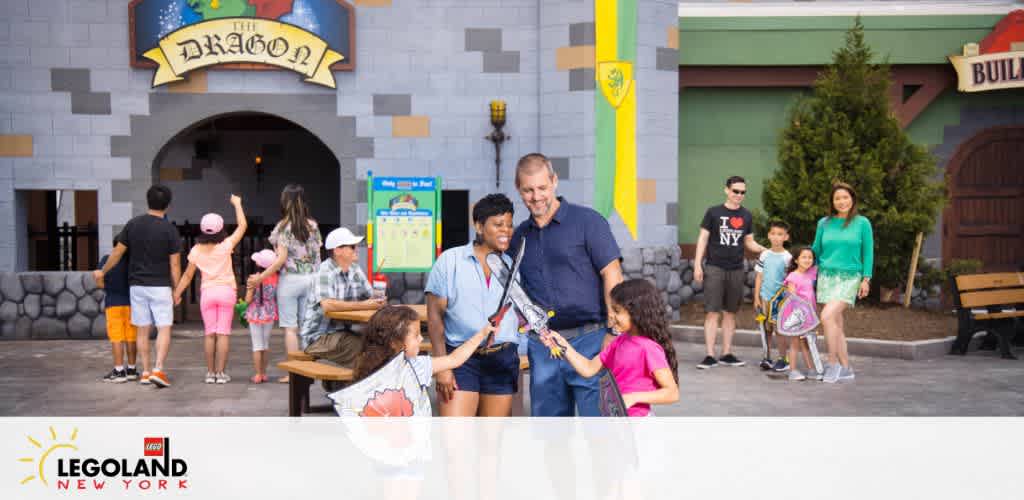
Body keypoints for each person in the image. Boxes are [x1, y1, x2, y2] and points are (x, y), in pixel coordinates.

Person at [510, 153, 624, 417]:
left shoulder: (588, 222)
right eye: (528, 190)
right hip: (544, 345)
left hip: (592, 340)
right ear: (519, 190)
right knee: (550, 436)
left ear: (554, 182)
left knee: (600, 431)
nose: (536, 196)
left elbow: (613, 274)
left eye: (541, 188)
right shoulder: (519, 237)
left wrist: (613, 332)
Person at [425, 194, 523, 417]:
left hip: (501, 359)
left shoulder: (512, 266)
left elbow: (517, 315)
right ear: (479, 226)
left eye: (509, 225)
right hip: (461, 359)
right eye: (498, 224)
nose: (506, 231)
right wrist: (443, 366)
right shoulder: (450, 261)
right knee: (456, 442)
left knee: (491, 445)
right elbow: (434, 318)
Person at [544, 279, 679, 417]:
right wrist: (562, 344)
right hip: (616, 421)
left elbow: (672, 393)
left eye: (617, 311)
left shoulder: (649, 348)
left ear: (636, 312)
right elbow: (588, 368)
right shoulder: (619, 341)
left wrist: (633, 397)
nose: (611, 315)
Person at [94, 184, 181, 388]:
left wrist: (102, 271)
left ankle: (145, 372)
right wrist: (177, 290)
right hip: (160, 286)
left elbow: (117, 253)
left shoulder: (132, 224)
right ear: (167, 205)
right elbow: (175, 264)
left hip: (137, 287)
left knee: (142, 330)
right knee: (164, 328)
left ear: (147, 200)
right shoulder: (170, 230)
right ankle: (159, 369)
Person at [246, 184, 322, 383]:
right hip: (312, 279)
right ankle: (308, 369)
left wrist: (260, 278)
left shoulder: (283, 227)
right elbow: (318, 256)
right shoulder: (313, 225)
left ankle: (294, 373)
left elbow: (280, 259)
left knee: (290, 328)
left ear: (285, 202)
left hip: (290, 280)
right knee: (307, 326)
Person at [693, 175, 767, 369]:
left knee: (730, 312)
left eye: (743, 192)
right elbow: (703, 239)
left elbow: (748, 241)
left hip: (736, 268)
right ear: (727, 190)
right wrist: (697, 264)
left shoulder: (746, 215)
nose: (739, 195)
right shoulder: (713, 212)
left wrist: (764, 249)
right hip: (715, 267)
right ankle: (710, 355)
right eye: (736, 191)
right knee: (712, 312)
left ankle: (726, 353)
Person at [173, 195, 247, 384]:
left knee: (209, 334)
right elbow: (242, 227)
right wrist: (237, 204)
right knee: (223, 333)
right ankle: (221, 374)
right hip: (226, 293)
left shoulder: (197, 249)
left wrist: (177, 293)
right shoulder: (226, 245)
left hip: (208, 293)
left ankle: (210, 373)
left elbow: (188, 275)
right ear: (221, 228)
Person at [298, 227, 384, 373]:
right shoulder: (324, 272)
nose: (356, 249)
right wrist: (364, 305)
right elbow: (327, 305)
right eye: (352, 246)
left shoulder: (355, 269)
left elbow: (371, 297)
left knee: (381, 343)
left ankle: (349, 385)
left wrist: (379, 297)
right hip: (319, 337)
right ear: (337, 251)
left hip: (342, 332)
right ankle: (354, 388)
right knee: (366, 352)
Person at [812, 182, 874, 383]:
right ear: (832, 201)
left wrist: (866, 279)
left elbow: (868, 252)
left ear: (852, 199)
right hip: (826, 276)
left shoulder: (862, 223)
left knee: (827, 316)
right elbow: (815, 250)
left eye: (845, 197)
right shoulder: (824, 223)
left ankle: (832, 364)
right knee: (836, 324)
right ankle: (846, 368)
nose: (841, 201)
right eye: (837, 198)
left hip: (849, 277)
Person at [353, 305, 498, 385]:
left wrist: (483, 333)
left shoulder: (418, 364)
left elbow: (454, 359)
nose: (421, 339)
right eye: (416, 335)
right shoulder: (374, 379)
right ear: (395, 343)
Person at [753, 220, 793, 372]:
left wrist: (787, 300)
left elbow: (790, 280)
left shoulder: (787, 257)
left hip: (780, 300)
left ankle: (784, 359)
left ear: (786, 237)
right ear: (769, 236)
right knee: (766, 329)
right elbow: (759, 277)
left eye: (780, 234)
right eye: (774, 234)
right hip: (765, 298)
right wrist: (756, 297)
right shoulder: (764, 254)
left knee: (779, 330)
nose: (776, 237)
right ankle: (767, 357)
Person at [98, 241, 138, 383]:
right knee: (131, 337)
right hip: (131, 304)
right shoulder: (133, 262)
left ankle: (119, 371)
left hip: (113, 303)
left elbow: (100, 282)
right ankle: (132, 370)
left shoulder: (106, 260)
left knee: (117, 338)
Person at [782, 247, 820, 382]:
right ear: (796, 260)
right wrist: (799, 315)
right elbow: (792, 298)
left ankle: (811, 369)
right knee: (795, 343)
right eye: (804, 257)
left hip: (809, 315)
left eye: (810, 257)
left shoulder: (811, 273)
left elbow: (820, 260)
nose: (807, 260)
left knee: (806, 342)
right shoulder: (792, 276)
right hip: (797, 316)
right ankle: (792, 370)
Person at [244, 249, 279, 384]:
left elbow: (247, 300)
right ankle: (264, 373)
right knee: (265, 344)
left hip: (255, 313)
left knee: (257, 346)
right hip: (269, 312)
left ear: (258, 265)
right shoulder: (276, 278)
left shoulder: (253, 278)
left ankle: (258, 374)